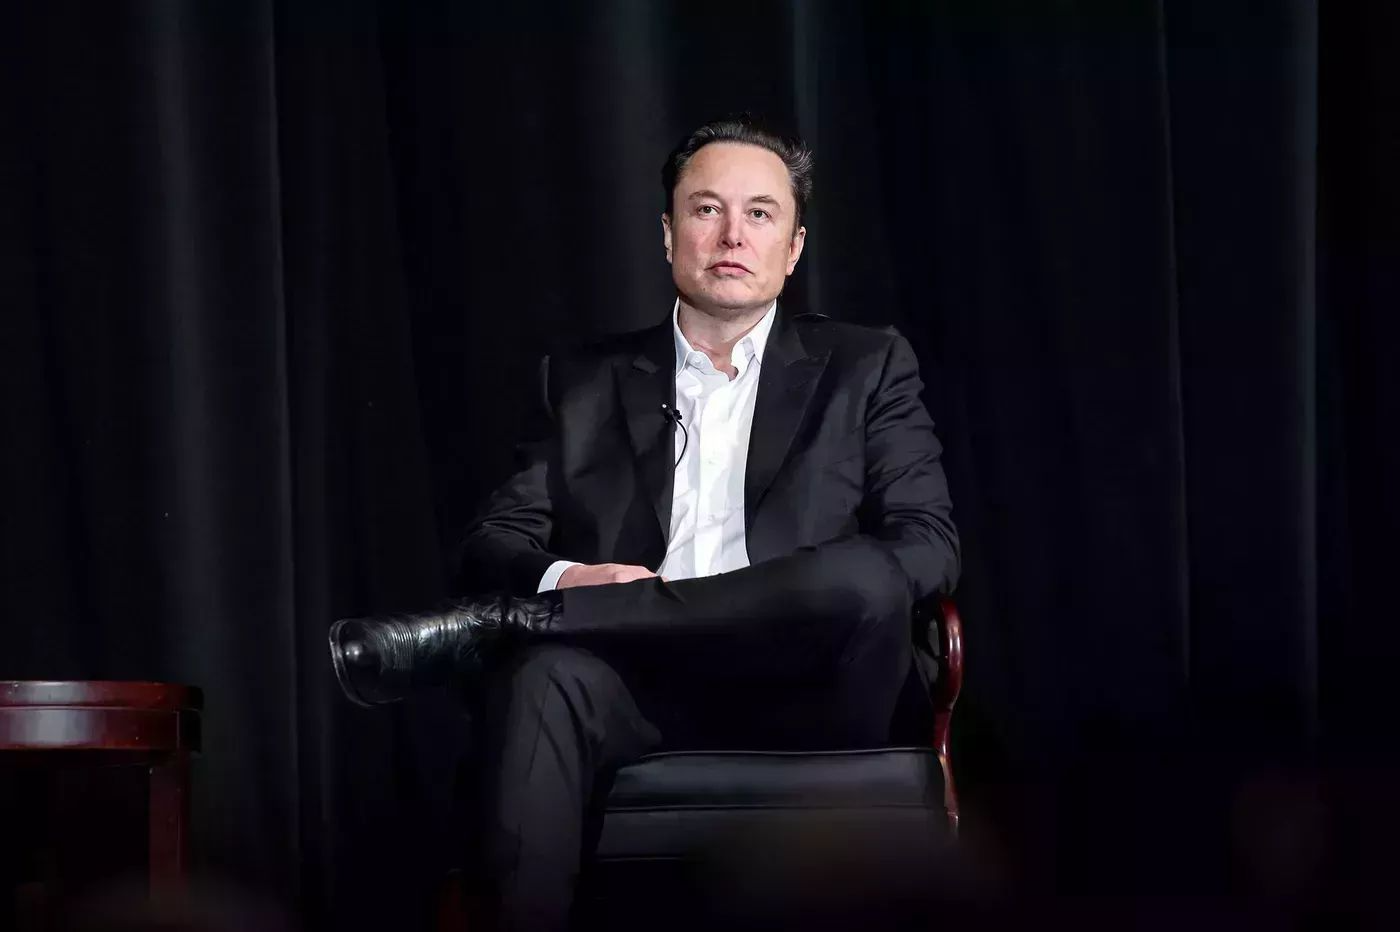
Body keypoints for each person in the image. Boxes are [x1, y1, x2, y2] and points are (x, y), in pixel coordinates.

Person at [329, 116, 959, 930]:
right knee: (543, 680)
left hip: (814, 686)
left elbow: (928, 547)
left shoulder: (867, 364)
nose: (732, 235)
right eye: (706, 209)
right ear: (668, 234)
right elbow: (494, 544)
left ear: (794, 247)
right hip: (644, 684)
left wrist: (572, 611)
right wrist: (572, 578)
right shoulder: (583, 380)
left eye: (760, 213)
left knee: (864, 573)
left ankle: (529, 622)